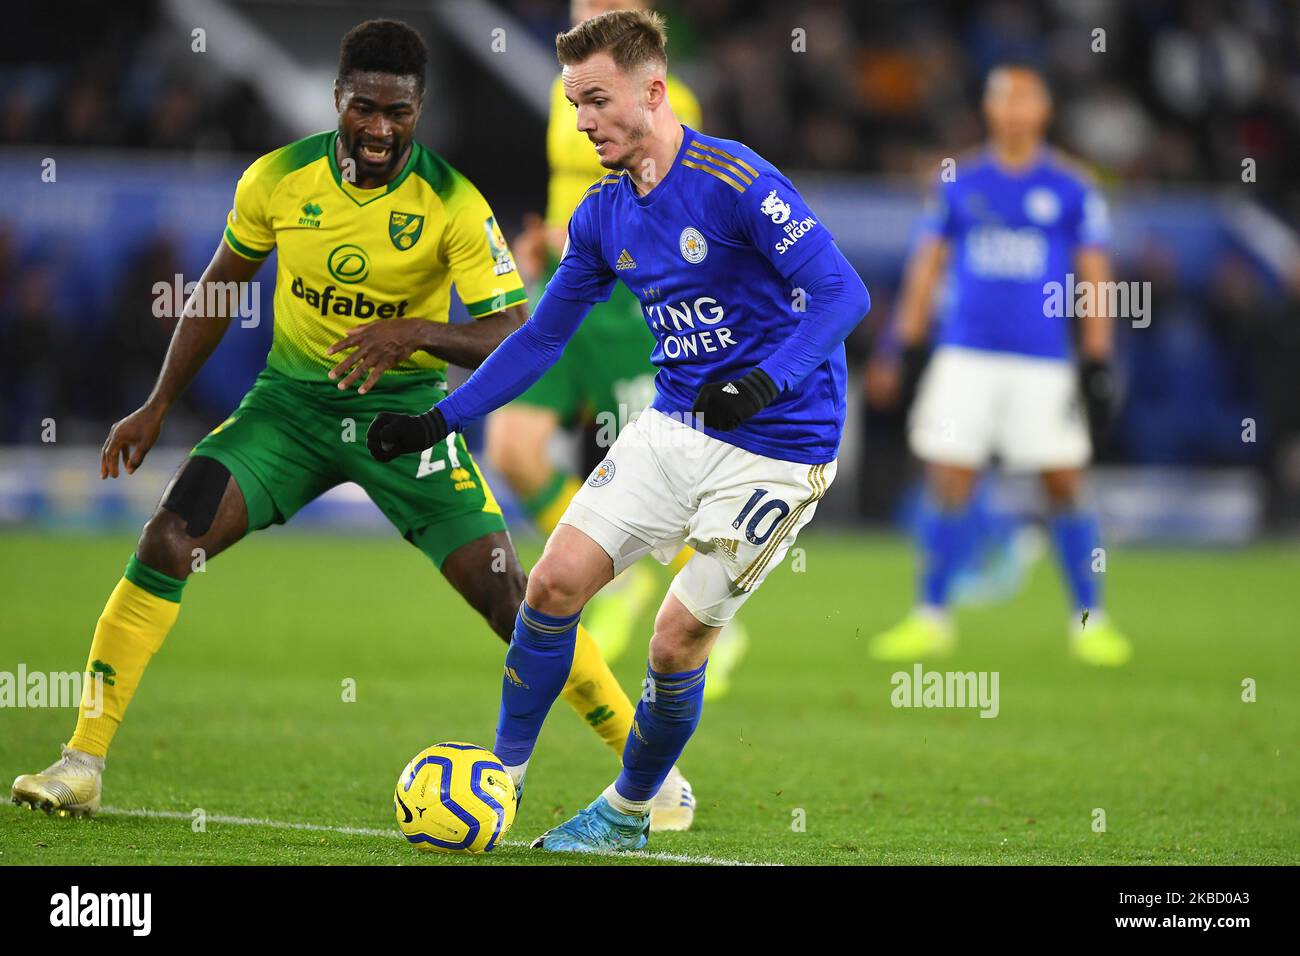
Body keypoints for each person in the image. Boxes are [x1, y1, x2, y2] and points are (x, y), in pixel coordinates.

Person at [11, 18, 693, 830]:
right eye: (364, 109)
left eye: (397, 113)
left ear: (419, 110)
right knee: (167, 538)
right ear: (339, 99)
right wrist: (158, 403)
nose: (379, 129)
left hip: (403, 424)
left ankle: (651, 777)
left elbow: (515, 330)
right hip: (290, 412)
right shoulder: (279, 180)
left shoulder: (450, 202)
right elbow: (221, 288)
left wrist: (414, 334)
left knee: (517, 598)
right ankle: (82, 761)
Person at [368, 9, 871, 853]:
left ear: (654, 91)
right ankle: (502, 778)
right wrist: (439, 417)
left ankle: (630, 811)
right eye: (574, 105)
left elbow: (844, 295)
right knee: (552, 585)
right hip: (675, 425)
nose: (584, 121)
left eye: (596, 101)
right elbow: (538, 338)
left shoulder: (734, 180)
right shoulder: (603, 215)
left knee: (676, 643)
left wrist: (766, 381)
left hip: (781, 448)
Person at [487, 0, 747, 704]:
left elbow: (677, 198)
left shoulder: (669, 92)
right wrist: (544, 245)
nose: (592, 9)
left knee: (670, 481)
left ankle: (711, 618)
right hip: (570, 287)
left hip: (633, 299)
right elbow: (579, 190)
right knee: (512, 444)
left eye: (608, 2)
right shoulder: (562, 87)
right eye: (584, 2)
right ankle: (619, 577)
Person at [868, 64, 1133, 666]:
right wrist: (901, 347)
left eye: (1025, 102)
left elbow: (1094, 278)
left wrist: (1097, 358)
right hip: (966, 356)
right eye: (1004, 101)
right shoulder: (958, 181)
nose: (1014, 113)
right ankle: (930, 616)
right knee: (949, 479)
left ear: (1042, 112)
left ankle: (1090, 621)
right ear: (990, 112)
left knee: (1064, 483)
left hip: (1043, 361)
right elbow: (925, 268)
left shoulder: (1071, 186)